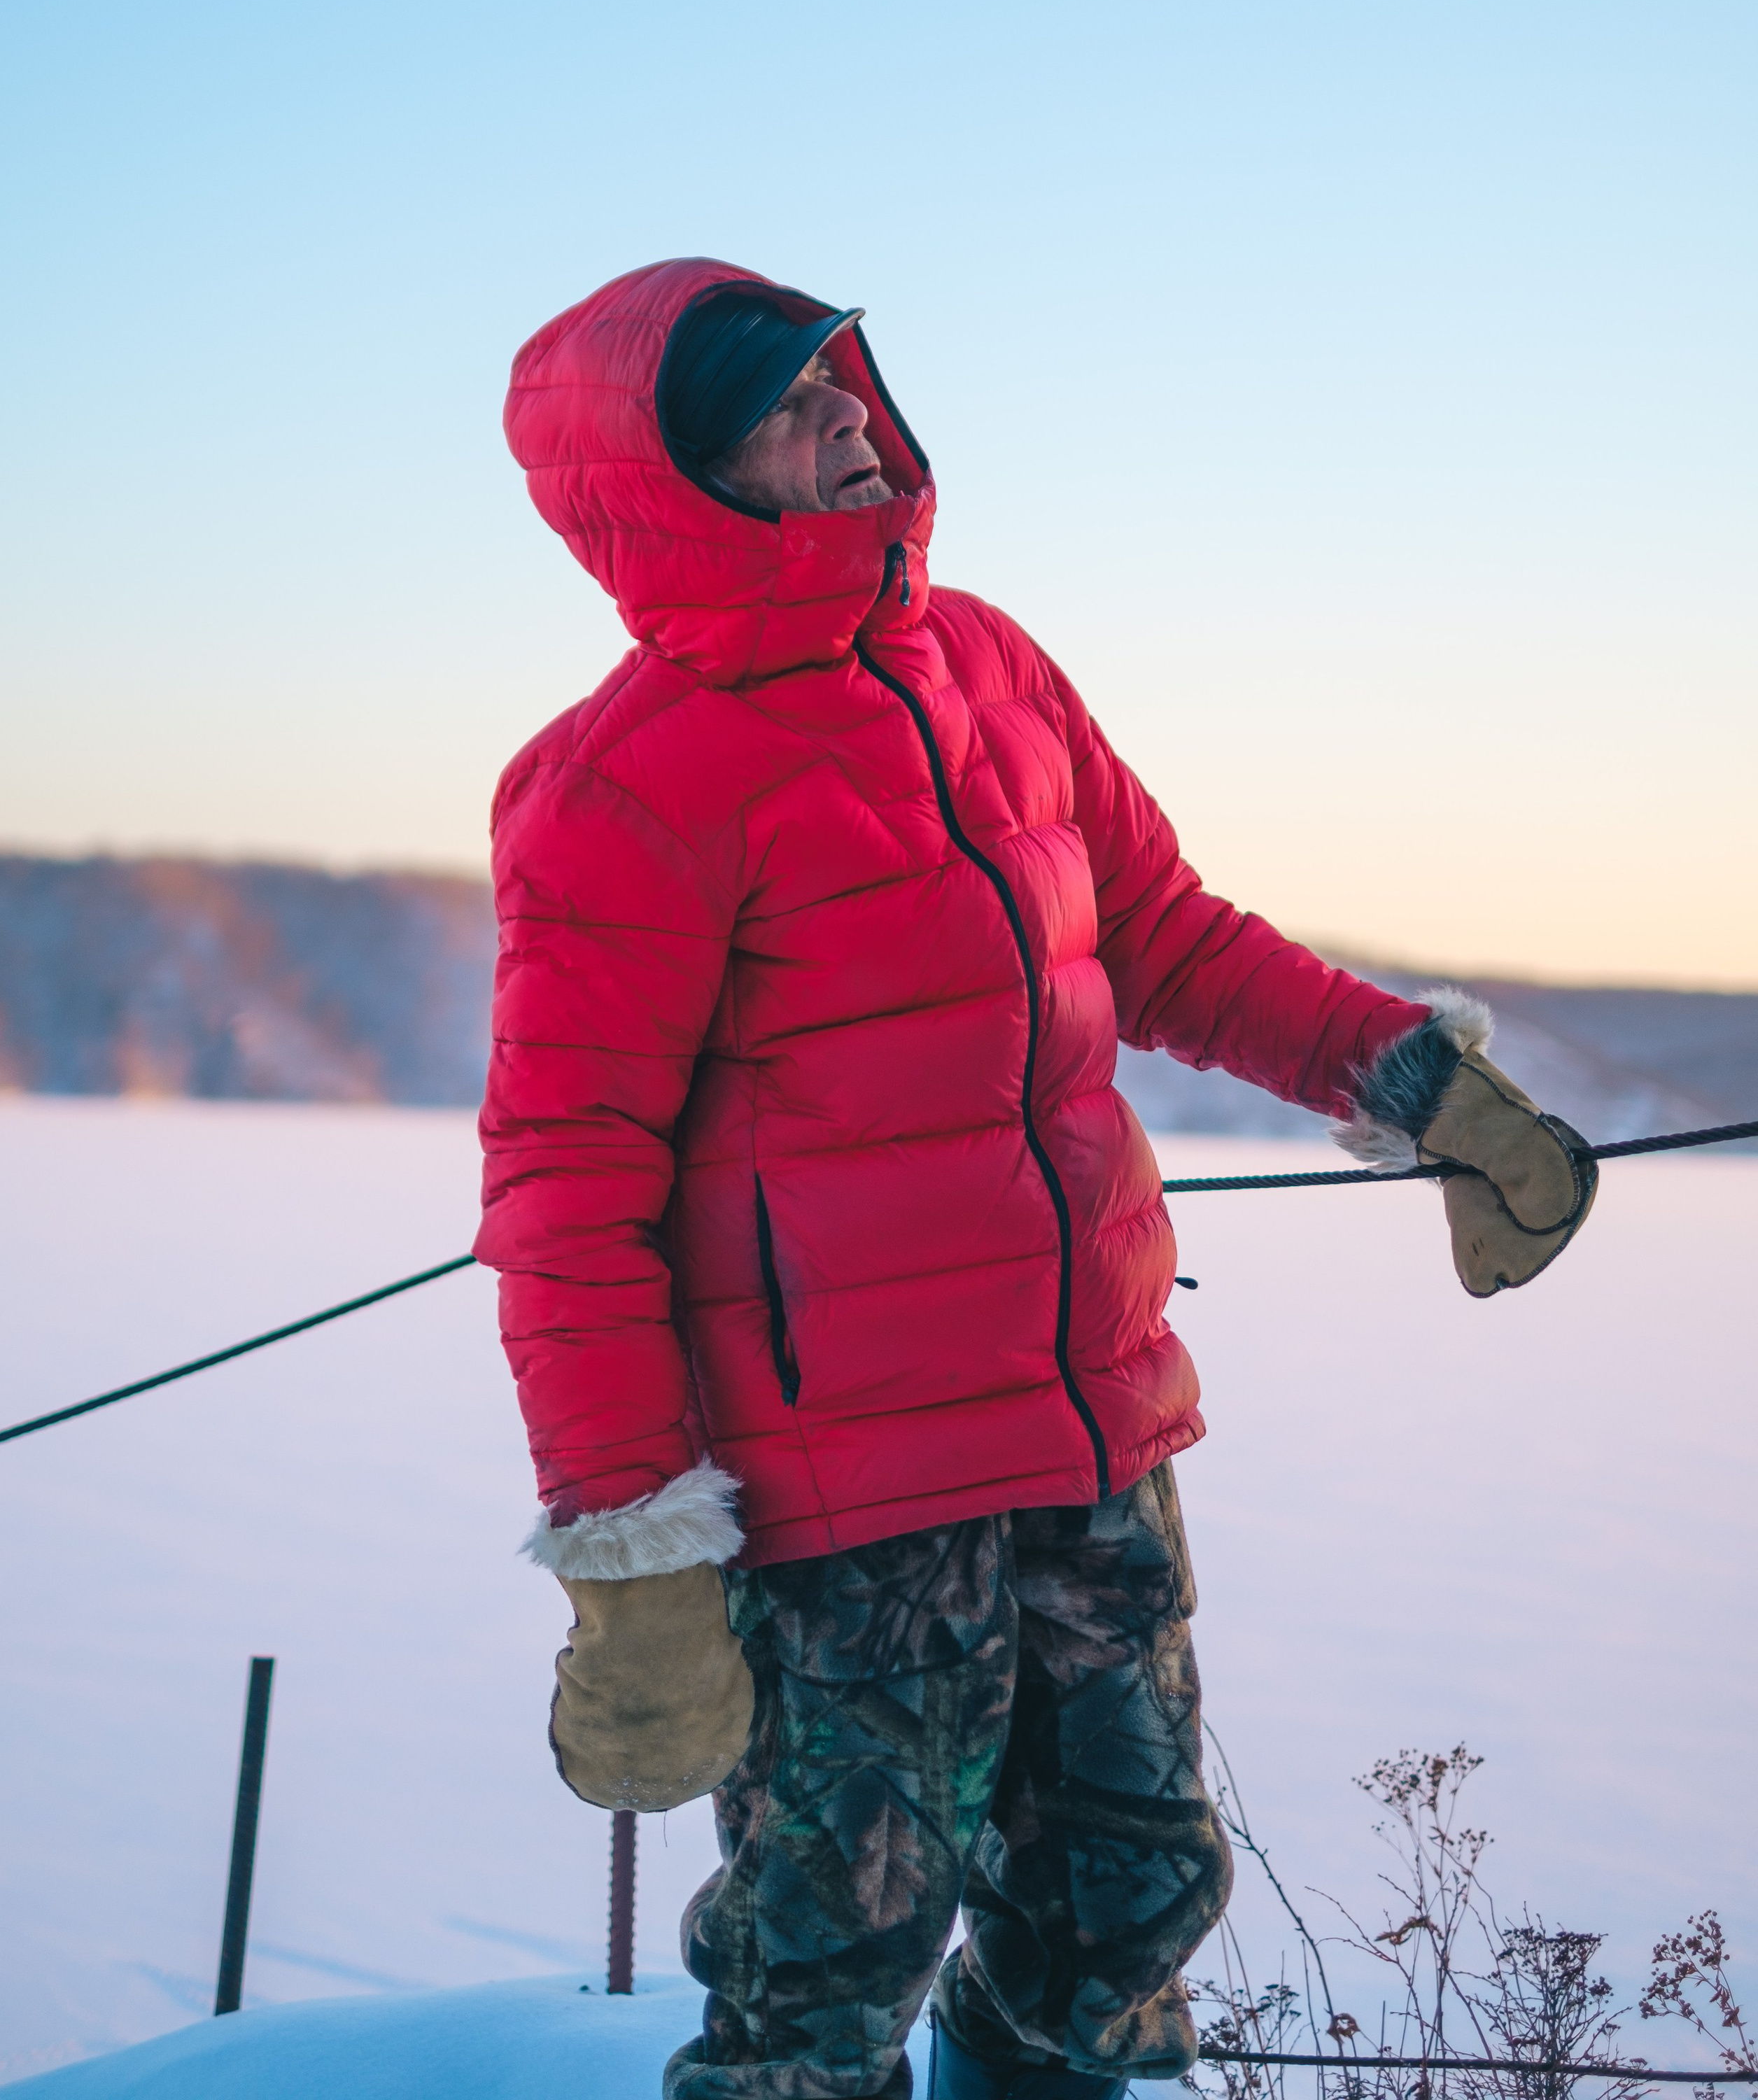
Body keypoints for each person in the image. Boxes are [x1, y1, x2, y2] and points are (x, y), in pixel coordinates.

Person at [476, 258, 1596, 2100]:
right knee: (824, 1988)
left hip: (1091, 1436)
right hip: (847, 1513)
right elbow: (564, 1196)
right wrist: (635, 1570)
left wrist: (1419, 1083)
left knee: (1130, 1905)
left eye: (846, 375)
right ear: (667, 481)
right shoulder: (620, 785)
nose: (848, 414)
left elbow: (1165, 939)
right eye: (783, 403)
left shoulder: (983, 663)